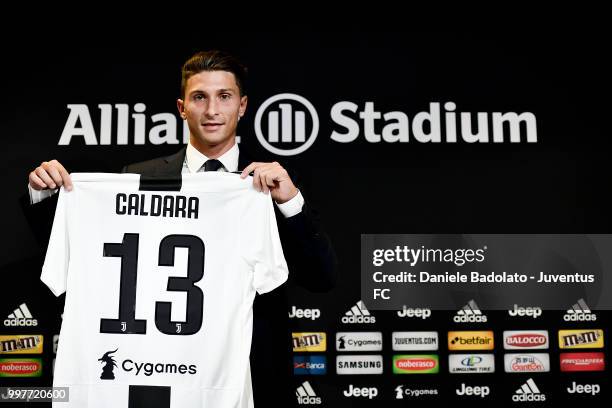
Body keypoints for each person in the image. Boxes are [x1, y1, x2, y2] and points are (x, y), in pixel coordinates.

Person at [24, 50, 337, 406]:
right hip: (154, 372)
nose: (213, 110)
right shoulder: (138, 178)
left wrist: (289, 202)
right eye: (199, 97)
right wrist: (43, 196)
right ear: (182, 107)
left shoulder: (270, 183)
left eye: (225, 96)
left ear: (243, 105)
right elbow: (82, 261)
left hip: (247, 380)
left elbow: (322, 278)